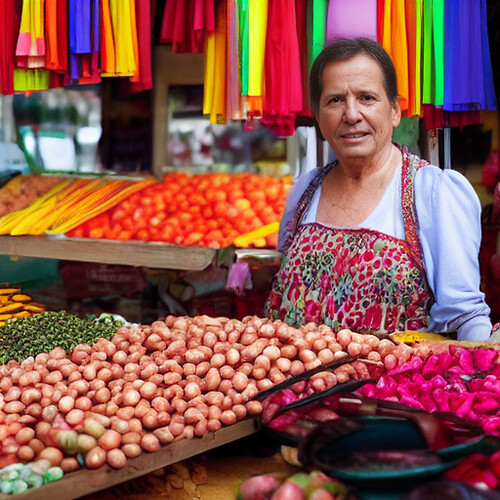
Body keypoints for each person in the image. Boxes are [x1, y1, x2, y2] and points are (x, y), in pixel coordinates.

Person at [266, 37, 493, 342]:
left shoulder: (432, 192)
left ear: (395, 111)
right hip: (295, 384)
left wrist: (480, 367)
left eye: (367, 98)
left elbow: (466, 315)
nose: (351, 114)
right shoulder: (303, 192)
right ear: (318, 117)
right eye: (335, 100)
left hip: (388, 388)